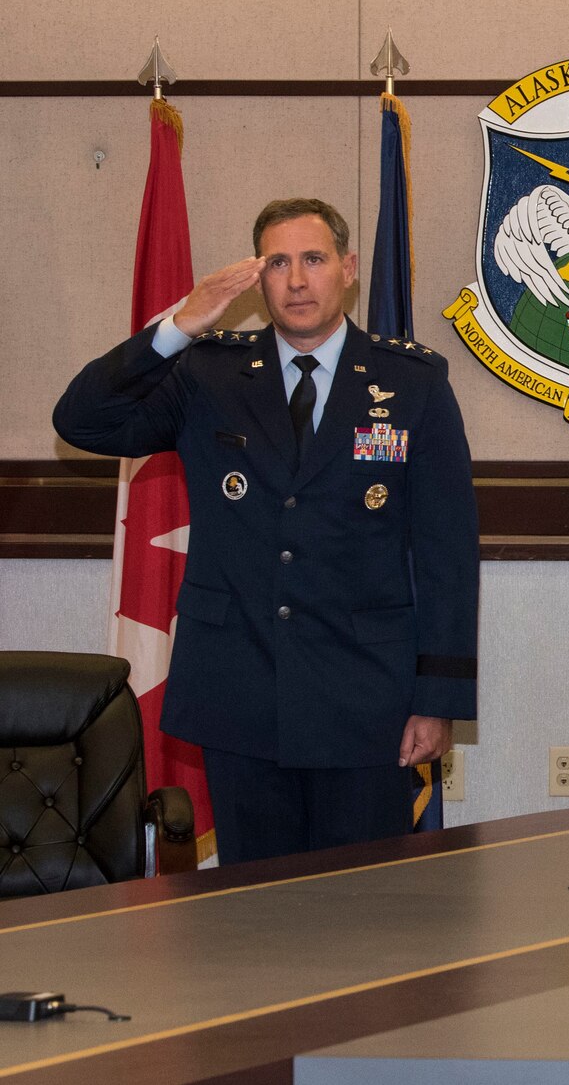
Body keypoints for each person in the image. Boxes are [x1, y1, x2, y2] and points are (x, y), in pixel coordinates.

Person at [55, 198, 478, 865]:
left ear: (348, 268)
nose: (297, 280)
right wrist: (176, 327)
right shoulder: (207, 374)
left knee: (363, 906)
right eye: (277, 263)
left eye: (313, 259)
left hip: (366, 698)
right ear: (258, 278)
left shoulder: (412, 382)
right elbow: (83, 420)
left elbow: (447, 552)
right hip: (240, 688)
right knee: (252, 917)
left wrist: (438, 698)